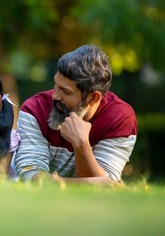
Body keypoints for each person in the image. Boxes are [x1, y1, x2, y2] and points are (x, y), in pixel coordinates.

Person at [14, 44, 138, 185]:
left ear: (94, 98)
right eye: (56, 85)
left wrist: (81, 143)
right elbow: (29, 175)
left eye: (65, 92)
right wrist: (98, 183)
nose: (55, 96)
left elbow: (104, 187)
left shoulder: (120, 118)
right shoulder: (34, 109)